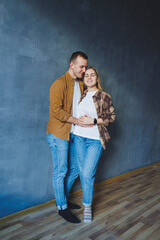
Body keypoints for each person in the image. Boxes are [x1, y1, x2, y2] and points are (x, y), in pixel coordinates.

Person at [46, 51, 88, 223]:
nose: (84, 70)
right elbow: (57, 111)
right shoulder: (58, 84)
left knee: (76, 169)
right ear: (72, 65)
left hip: (73, 133)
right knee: (61, 170)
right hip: (58, 133)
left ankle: (63, 199)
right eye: (81, 66)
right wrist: (78, 121)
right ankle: (62, 208)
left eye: (85, 67)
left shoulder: (80, 85)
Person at [73, 66, 116, 223]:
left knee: (87, 174)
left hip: (94, 139)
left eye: (92, 75)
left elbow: (111, 118)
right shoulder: (82, 95)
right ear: (84, 79)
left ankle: (87, 206)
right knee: (82, 172)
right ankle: (87, 203)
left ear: (97, 78)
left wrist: (93, 121)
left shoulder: (104, 96)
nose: (89, 78)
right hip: (78, 137)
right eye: (87, 76)